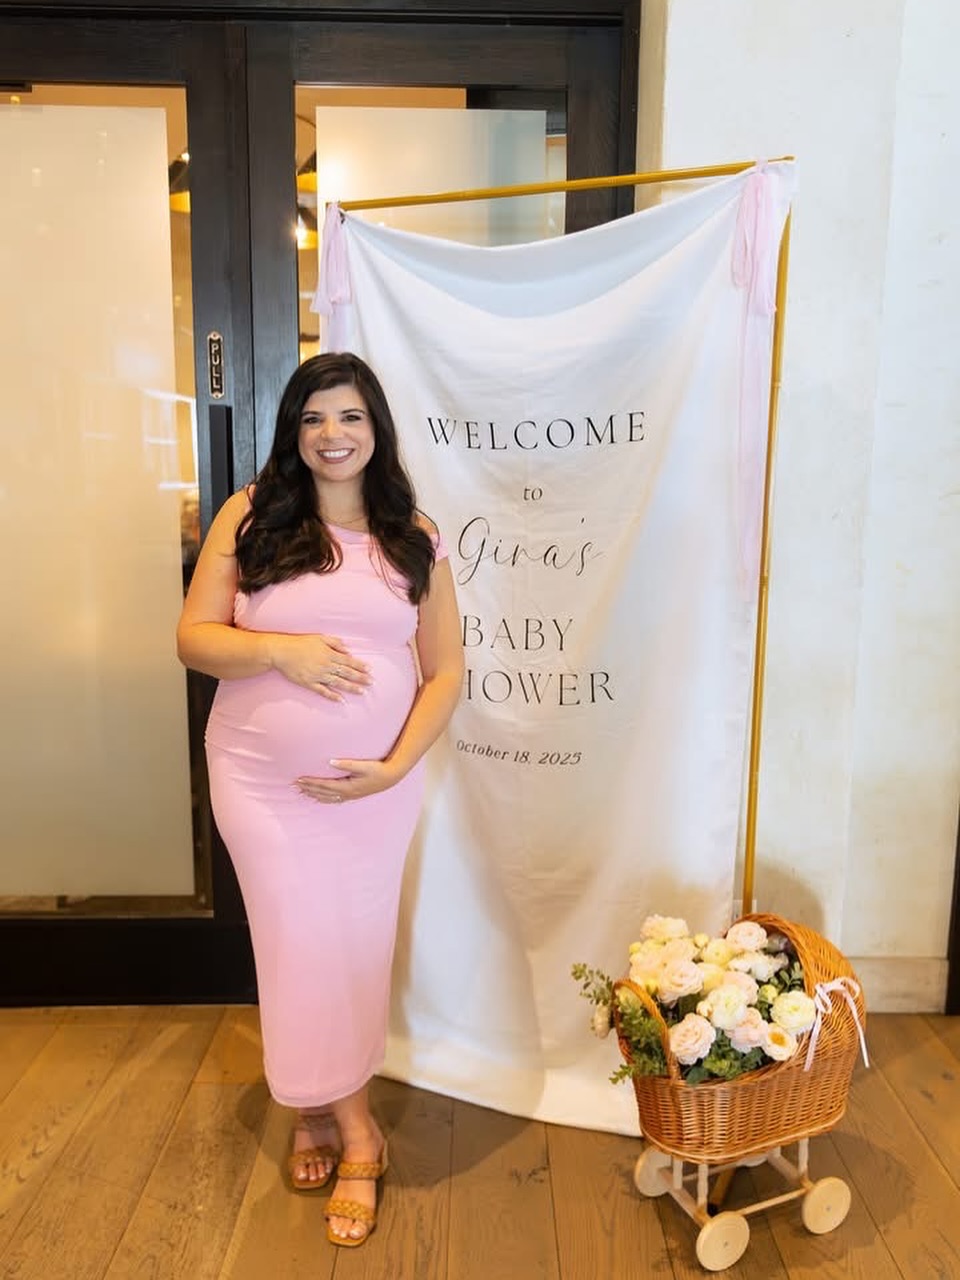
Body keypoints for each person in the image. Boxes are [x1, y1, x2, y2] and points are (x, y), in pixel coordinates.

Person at [176, 352, 463, 1248]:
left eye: (349, 417)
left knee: (353, 945)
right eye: (312, 418)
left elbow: (447, 669)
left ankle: (309, 1103)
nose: (331, 435)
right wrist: (278, 651)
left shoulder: (412, 532)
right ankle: (358, 1131)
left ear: (376, 430)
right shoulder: (253, 515)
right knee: (296, 942)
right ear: (292, 432)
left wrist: (395, 765)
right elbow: (193, 638)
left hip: (375, 791)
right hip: (261, 784)